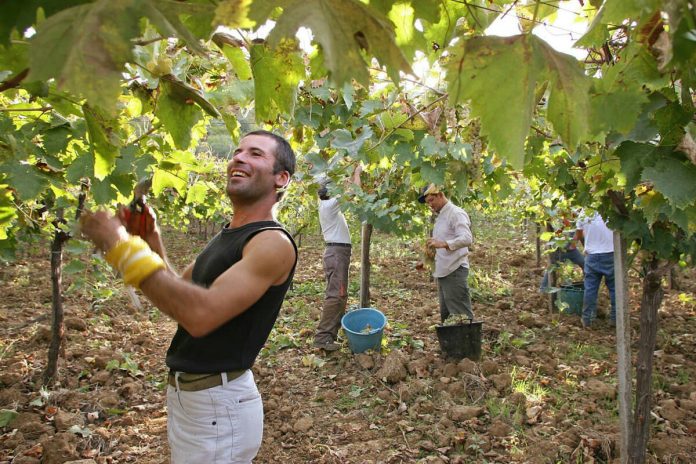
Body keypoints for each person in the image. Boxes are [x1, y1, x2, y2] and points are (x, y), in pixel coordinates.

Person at [79, 130, 297, 463]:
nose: (238, 157)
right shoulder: (230, 234)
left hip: (218, 405)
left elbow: (200, 314)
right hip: (195, 399)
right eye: (237, 151)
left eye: (255, 154)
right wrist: (151, 240)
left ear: (281, 179)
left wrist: (120, 247)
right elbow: (180, 293)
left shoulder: (272, 243)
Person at [313, 165, 361, 351]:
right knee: (336, 295)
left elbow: (346, 190)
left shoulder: (327, 204)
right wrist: (356, 172)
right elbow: (354, 192)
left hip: (337, 253)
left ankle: (329, 336)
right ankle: (323, 337)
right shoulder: (330, 205)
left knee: (339, 295)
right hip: (337, 254)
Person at [418, 184, 474, 323]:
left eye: (432, 200)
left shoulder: (455, 213)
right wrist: (426, 261)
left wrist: (444, 243)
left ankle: (467, 344)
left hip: (454, 271)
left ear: (441, 195)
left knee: (460, 316)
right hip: (443, 273)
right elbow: (440, 246)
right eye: (427, 203)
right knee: (448, 317)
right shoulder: (441, 216)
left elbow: (467, 238)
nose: (430, 205)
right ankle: (452, 345)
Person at [574, 212, 615, 328]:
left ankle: (588, 319)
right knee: (614, 288)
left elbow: (578, 234)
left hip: (591, 256)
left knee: (590, 289)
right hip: (610, 254)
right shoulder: (610, 210)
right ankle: (615, 319)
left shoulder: (583, 213)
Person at [539, 215, 585, 292]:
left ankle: (586, 285)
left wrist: (575, 242)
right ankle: (543, 289)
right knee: (552, 269)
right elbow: (555, 234)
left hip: (572, 251)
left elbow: (579, 233)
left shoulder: (576, 218)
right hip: (558, 250)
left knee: (584, 263)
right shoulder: (557, 220)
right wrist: (564, 226)